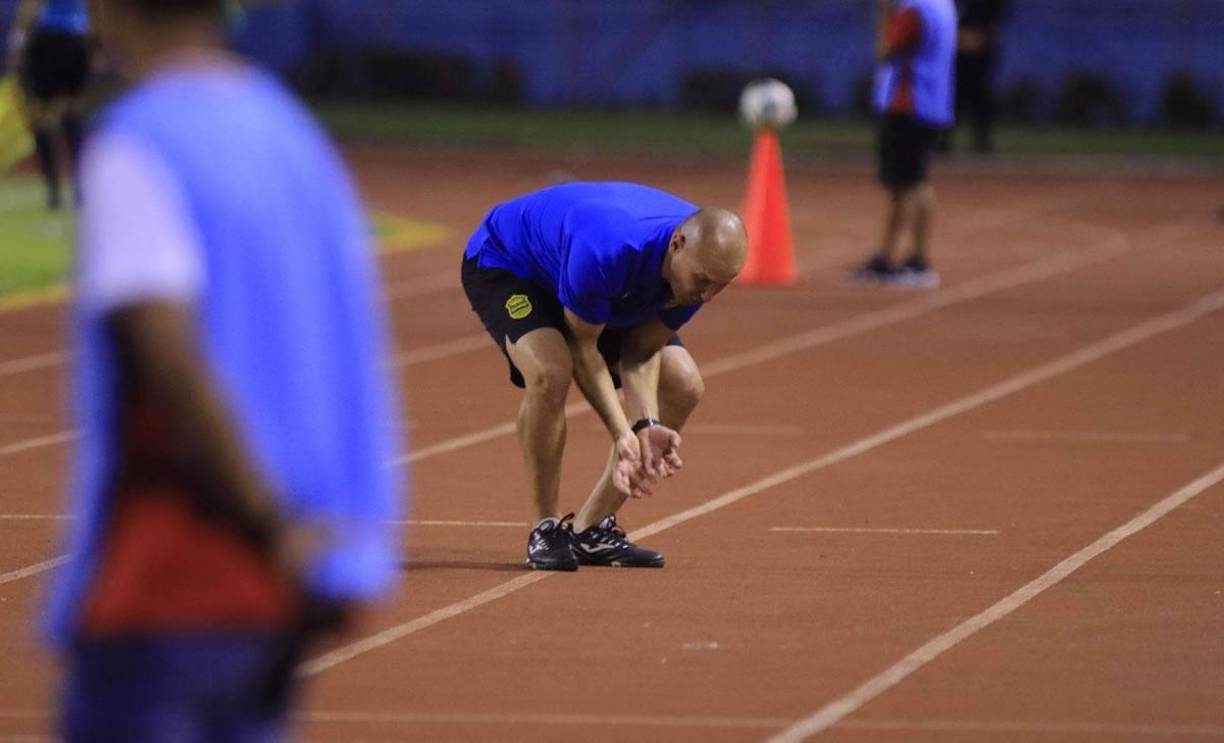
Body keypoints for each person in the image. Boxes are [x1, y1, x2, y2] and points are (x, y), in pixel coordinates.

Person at [43, 1, 405, 740]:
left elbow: (167, 353)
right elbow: (345, 350)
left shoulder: (139, 143)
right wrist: (335, 545)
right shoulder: (293, 137)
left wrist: (271, 521)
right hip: (279, 595)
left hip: (165, 580)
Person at [460, 182, 747, 571]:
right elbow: (583, 348)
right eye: (703, 281)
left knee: (683, 385)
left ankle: (590, 531)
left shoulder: (698, 267)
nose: (709, 295)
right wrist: (621, 431)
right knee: (550, 370)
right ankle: (545, 527)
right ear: (677, 244)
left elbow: (641, 351)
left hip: (604, 282)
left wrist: (645, 424)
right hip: (512, 265)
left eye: (722, 284)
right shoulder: (607, 248)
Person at [850, 0, 957, 289]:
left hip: (907, 104)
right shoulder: (943, 6)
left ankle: (896, 258)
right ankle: (915, 257)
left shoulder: (913, 10)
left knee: (906, 184)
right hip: (933, 103)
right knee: (917, 180)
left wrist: (885, 13)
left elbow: (886, 49)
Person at [5, 0, 91, 208]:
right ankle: (80, 186)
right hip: (78, 40)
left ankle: (53, 188)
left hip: (49, 40)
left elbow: (31, 8)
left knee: (42, 116)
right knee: (72, 112)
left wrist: (17, 40)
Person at [952, 0, 1007, 154]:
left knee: (980, 94)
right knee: (952, 94)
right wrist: (956, 37)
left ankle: (981, 141)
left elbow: (997, 18)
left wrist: (981, 37)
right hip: (954, 47)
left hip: (982, 48)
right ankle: (942, 140)